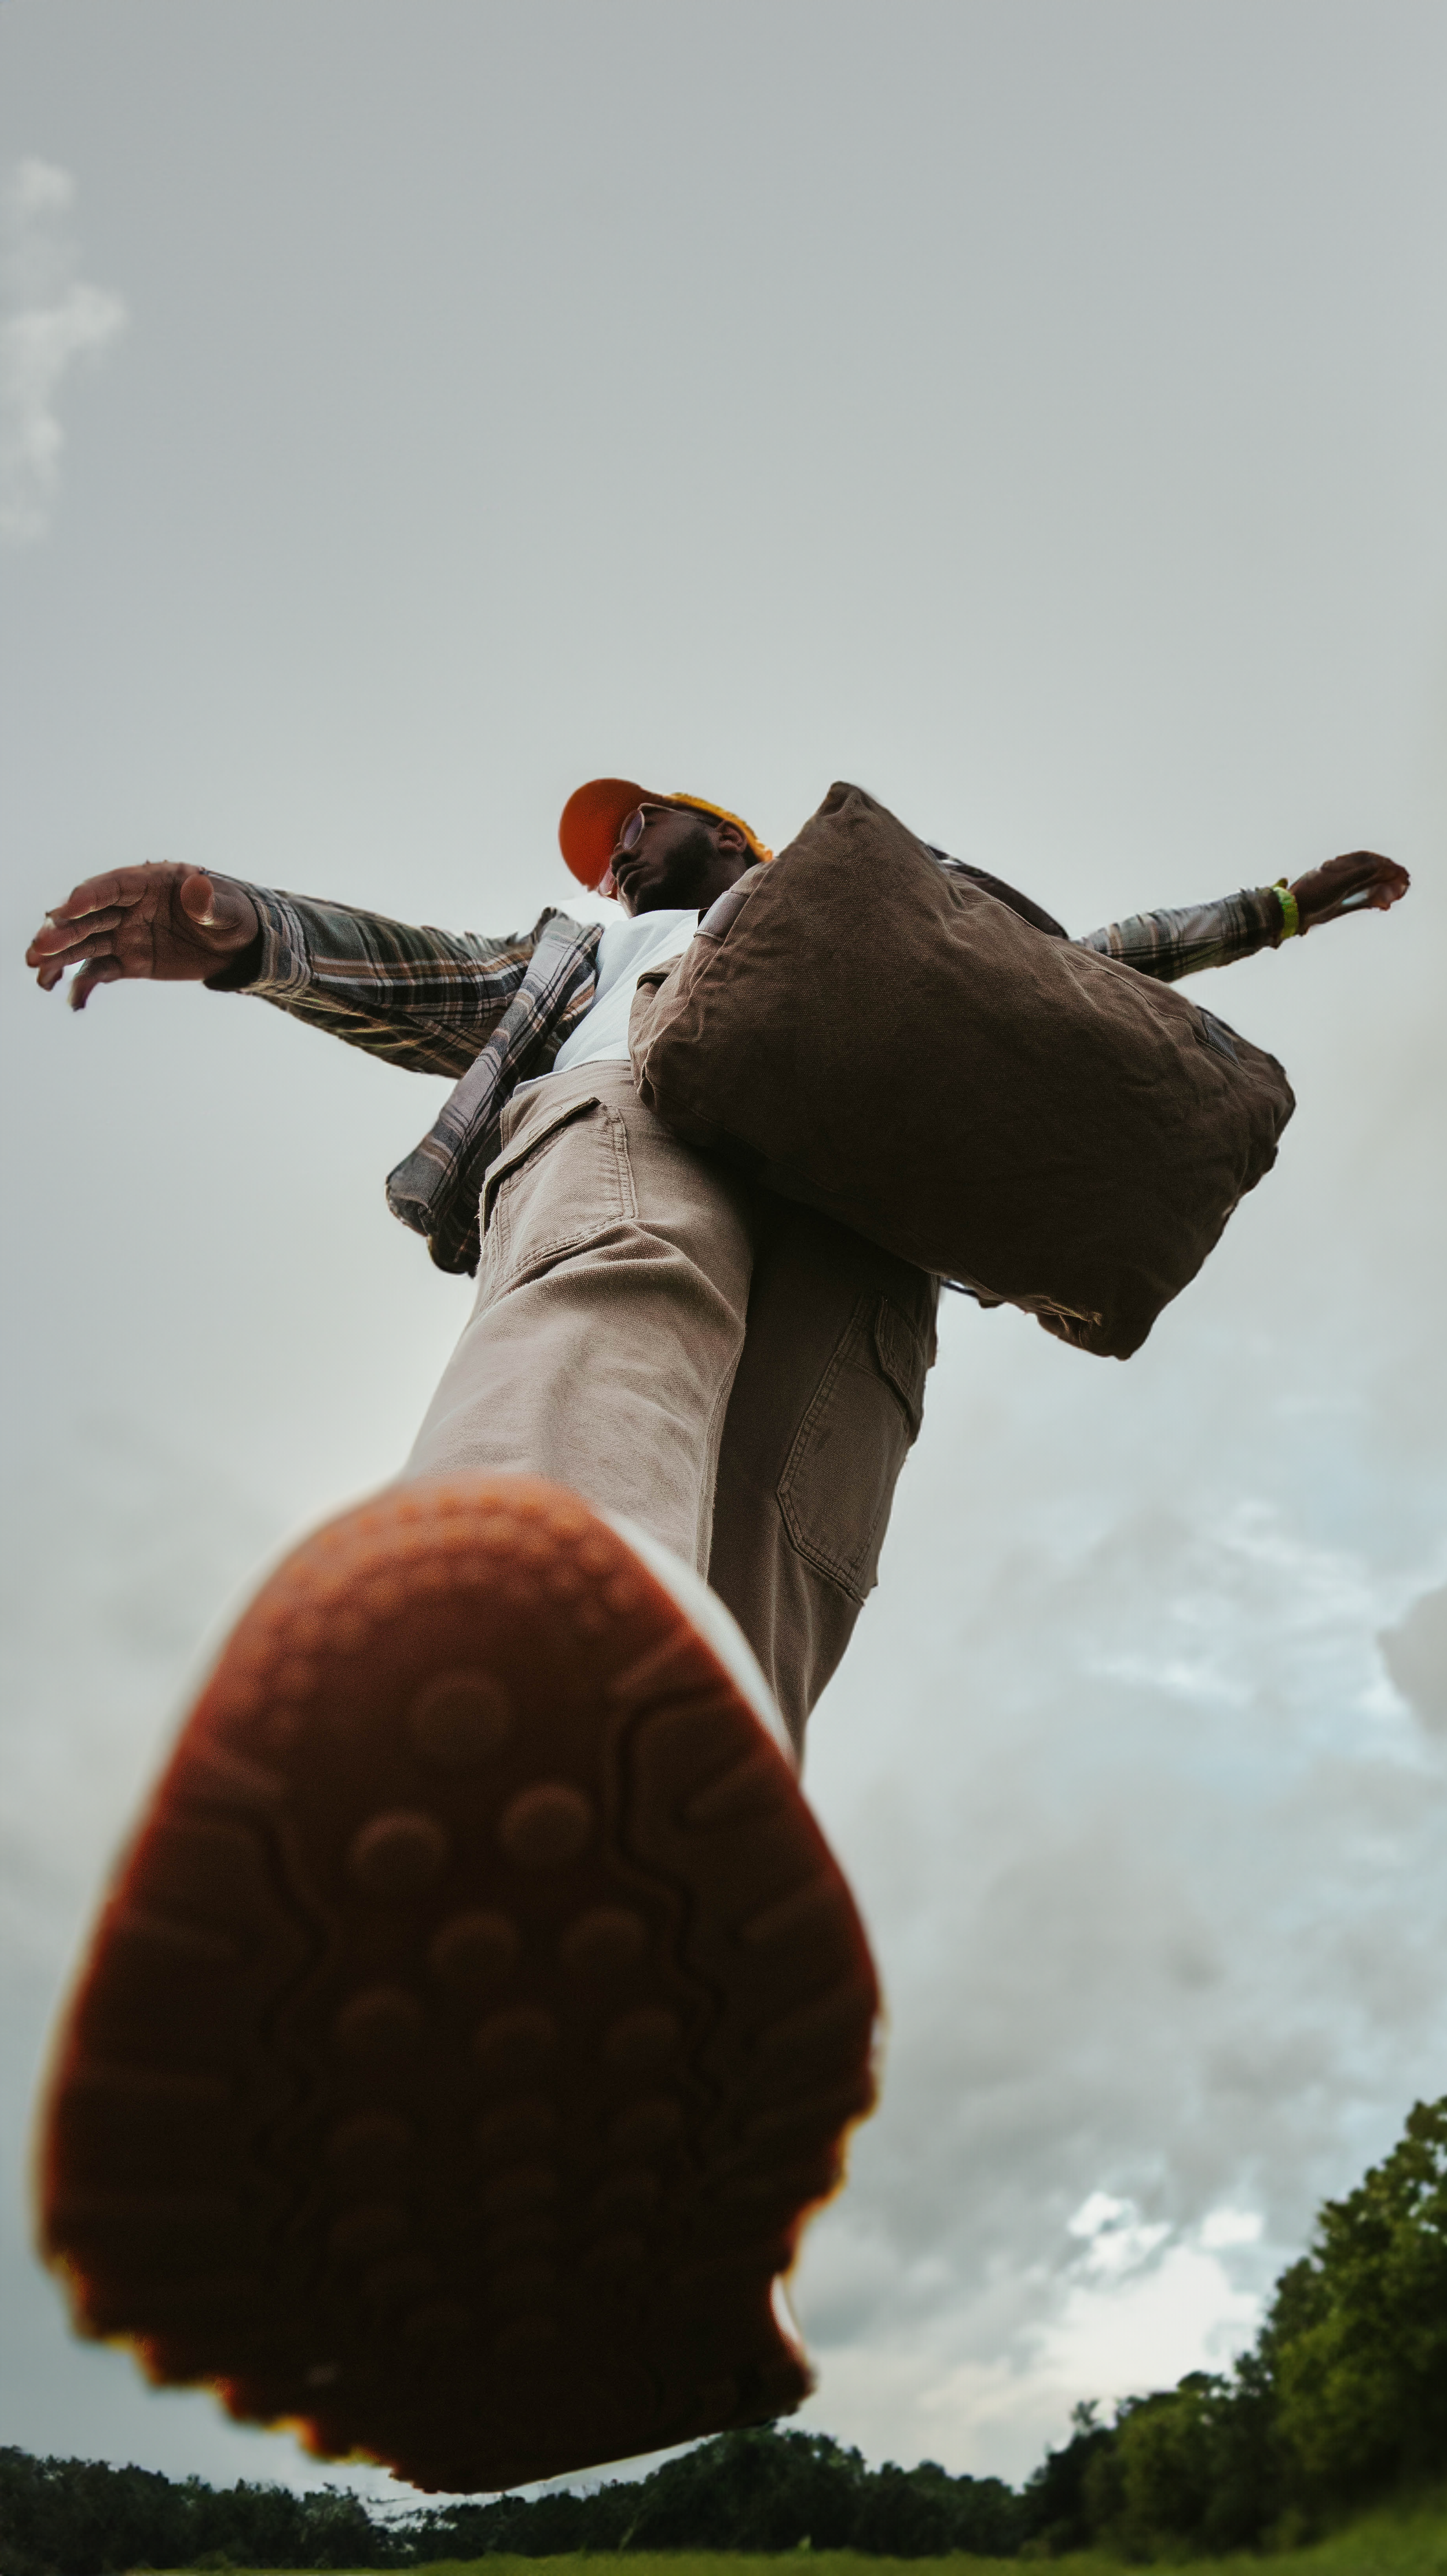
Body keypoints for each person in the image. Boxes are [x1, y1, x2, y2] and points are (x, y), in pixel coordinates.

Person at [23, 793, 1408, 2493]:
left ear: (727, 832)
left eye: (637, 828)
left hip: (862, 1238)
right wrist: (242, 931)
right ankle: (503, 1661)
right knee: (625, 1290)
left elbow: (1085, 970)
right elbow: (412, 973)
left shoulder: (857, 923)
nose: (610, 857)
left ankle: (618, 2158)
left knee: (768, 1605)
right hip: (629, 1111)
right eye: (599, 850)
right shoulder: (585, 958)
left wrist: (1277, 907)